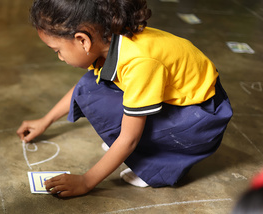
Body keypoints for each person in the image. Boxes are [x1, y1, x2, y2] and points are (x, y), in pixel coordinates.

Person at [17, 0, 233, 198]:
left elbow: (129, 138)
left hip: (201, 118)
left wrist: (86, 181)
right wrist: (46, 120)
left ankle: (157, 167)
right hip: (185, 100)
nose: (60, 57)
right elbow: (82, 88)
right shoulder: (110, 37)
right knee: (89, 87)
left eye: (57, 50)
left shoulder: (140, 62)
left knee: (124, 132)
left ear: (82, 40)